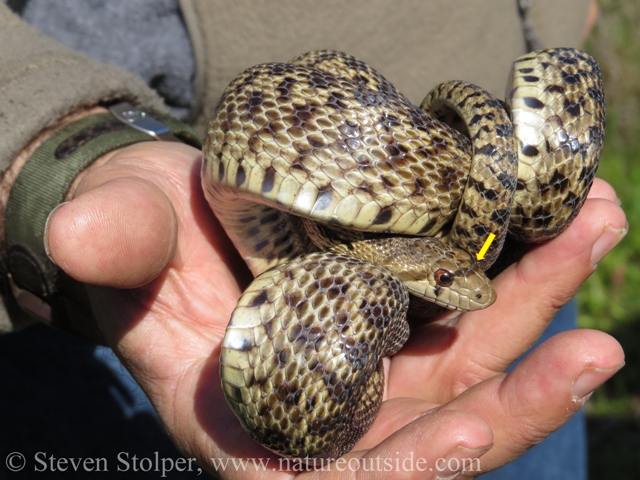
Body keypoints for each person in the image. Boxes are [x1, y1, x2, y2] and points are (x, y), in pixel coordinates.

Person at [0, 1, 627, 478]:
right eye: (443, 279)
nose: (461, 289)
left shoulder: (459, 260)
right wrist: (45, 129)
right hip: (190, 281)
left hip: (506, 234)